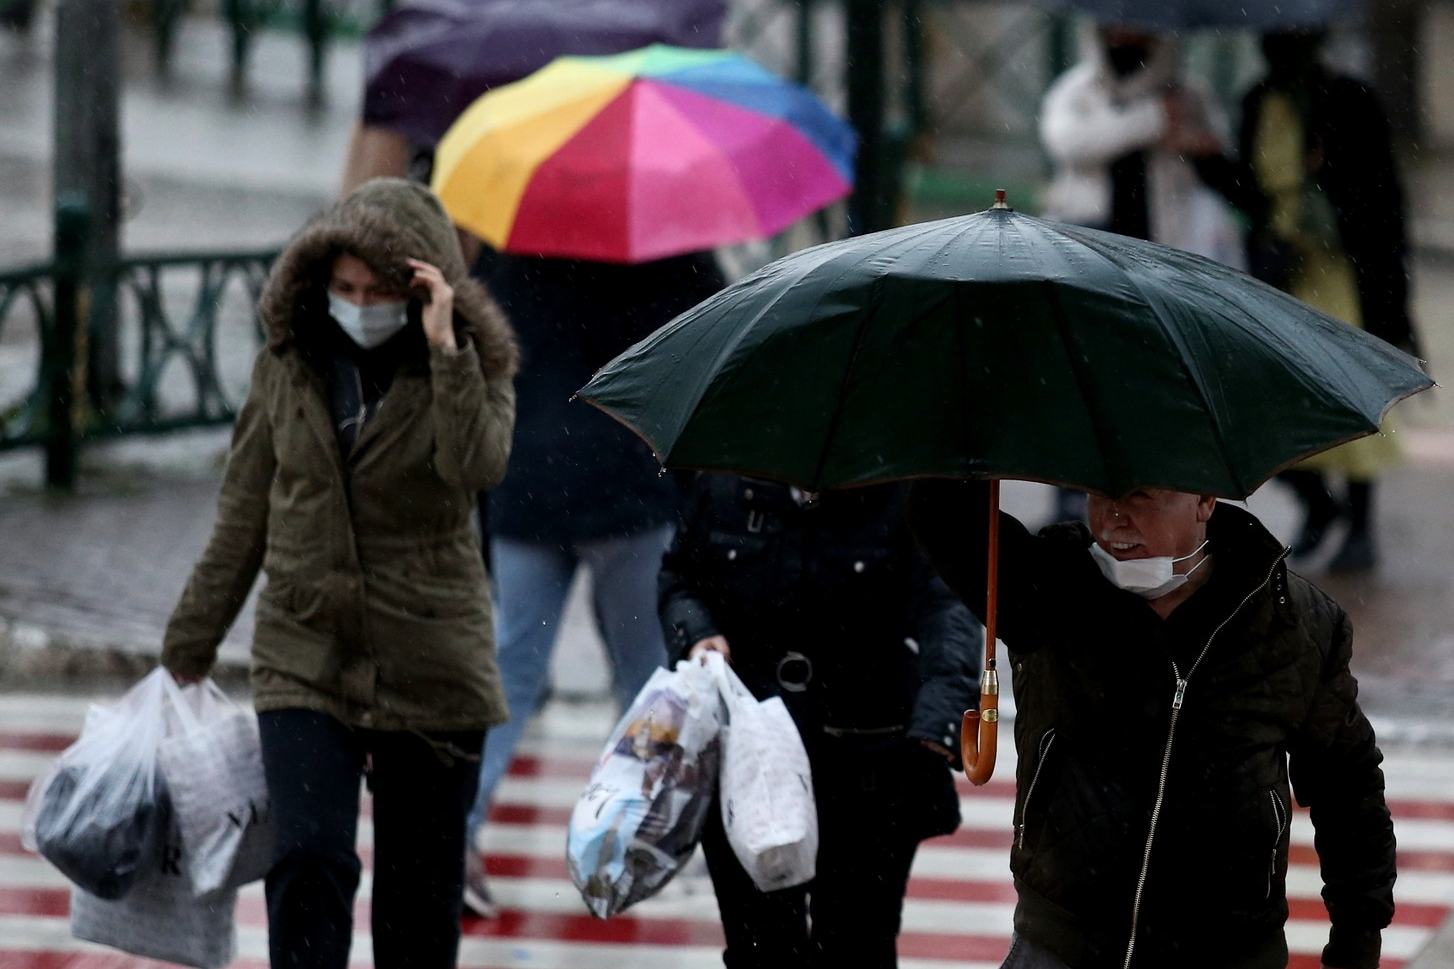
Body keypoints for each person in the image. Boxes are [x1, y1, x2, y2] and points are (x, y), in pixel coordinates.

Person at [160, 177, 519, 969]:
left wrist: (445, 351)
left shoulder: (470, 363)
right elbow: (243, 514)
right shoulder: (289, 366)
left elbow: (477, 464)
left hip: (430, 659)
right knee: (309, 860)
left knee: (418, 903)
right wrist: (187, 645)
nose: (359, 304)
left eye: (381, 289)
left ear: (424, 284)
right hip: (306, 649)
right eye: (344, 287)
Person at [904, 479, 1396, 969]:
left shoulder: (1293, 620)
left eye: (1137, 495)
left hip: (1230, 950)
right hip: (1063, 945)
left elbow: (1347, 782)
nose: (1113, 517)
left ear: (1204, 500)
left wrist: (1359, 931)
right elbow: (940, 514)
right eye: (1101, 494)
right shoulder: (1050, 583)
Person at [462, 250, 726, 917]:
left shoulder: (514, 251)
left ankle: (460, 831)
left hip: (529, 483)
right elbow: (713, 344)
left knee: (508, 672)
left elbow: (480, 361)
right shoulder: (672, 254)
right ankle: (633, 837)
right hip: (630, 490)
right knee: (643, 682)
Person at [659, 472, 982, 968]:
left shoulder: (905, 492)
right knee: (761, 949)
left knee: (856, 946)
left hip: (867, 766)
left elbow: (945, 605)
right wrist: (698, 633)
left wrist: (942, 709)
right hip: (750, 764)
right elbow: (681, 576)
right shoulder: (724, 485)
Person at [1199, 29, 1418, 572]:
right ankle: (1319, 501)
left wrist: (1328, 177)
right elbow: (1251, 190)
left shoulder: (1348, 99)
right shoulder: (1257, 100)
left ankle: (1362, 525)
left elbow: (1381, 198)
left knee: (1350, 395)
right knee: (1269, 397)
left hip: (1342, 275)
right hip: (1279, 275)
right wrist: (1206, 158)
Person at [1037, 21, 1245, 525]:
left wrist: (1192, 138)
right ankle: (1072, 497)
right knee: (1085, 385)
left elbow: (1217, 158)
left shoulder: (1188, 94)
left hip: (1162, 264)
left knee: (1154, 388)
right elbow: (1069, 142)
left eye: (1139, 34)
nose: (1125, 42)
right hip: (1088, 260)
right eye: (1115, 32)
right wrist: (1151, 119)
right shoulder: (1079, 90)